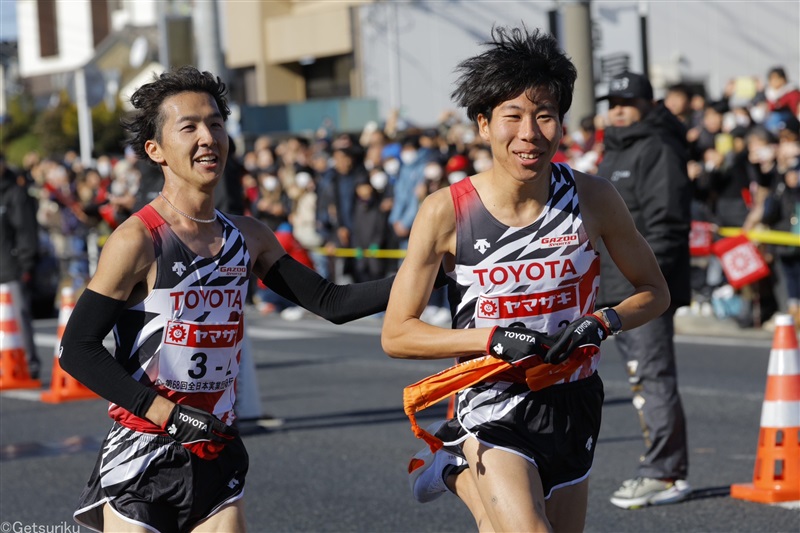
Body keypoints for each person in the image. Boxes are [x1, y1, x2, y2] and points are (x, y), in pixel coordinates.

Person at [58, 66, 398, 533]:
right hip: (142, 455)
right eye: (189, 127)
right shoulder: (138, 240)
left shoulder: (250, 237)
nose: (208, 137)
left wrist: (428, 270)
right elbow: (75, 349)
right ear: (155, 150)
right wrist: (168, 415)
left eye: (216, 123)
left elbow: (330, 302)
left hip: (215, 450)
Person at [381, 27, 670, 532]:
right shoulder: (446, 212)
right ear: (483, 124)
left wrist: (600, 323)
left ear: (560, 124)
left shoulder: (593, 198)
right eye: (512, 117)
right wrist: (493, 339)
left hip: (573, 397)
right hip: (492, 398)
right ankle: (462, 460)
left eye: (544, 116)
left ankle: (454, 472)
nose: (529, 133)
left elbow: (655, 293)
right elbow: (397, 333)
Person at [594, 71, 693, 509]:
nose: (616, 108)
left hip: (639, 291)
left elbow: (667, 226)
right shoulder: (614, 150)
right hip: (609, 289)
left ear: (649, 105)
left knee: (650, 378)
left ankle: (665, 473)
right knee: (635, 380)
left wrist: (650, 288)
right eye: (611, 101)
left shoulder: (657, 148)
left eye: (626, 101)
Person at [0, 153, 41, 379]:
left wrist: (26, 264)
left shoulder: (15, 193)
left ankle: (29, 362)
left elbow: (26, 232)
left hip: (12, 267)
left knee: (19, 315)